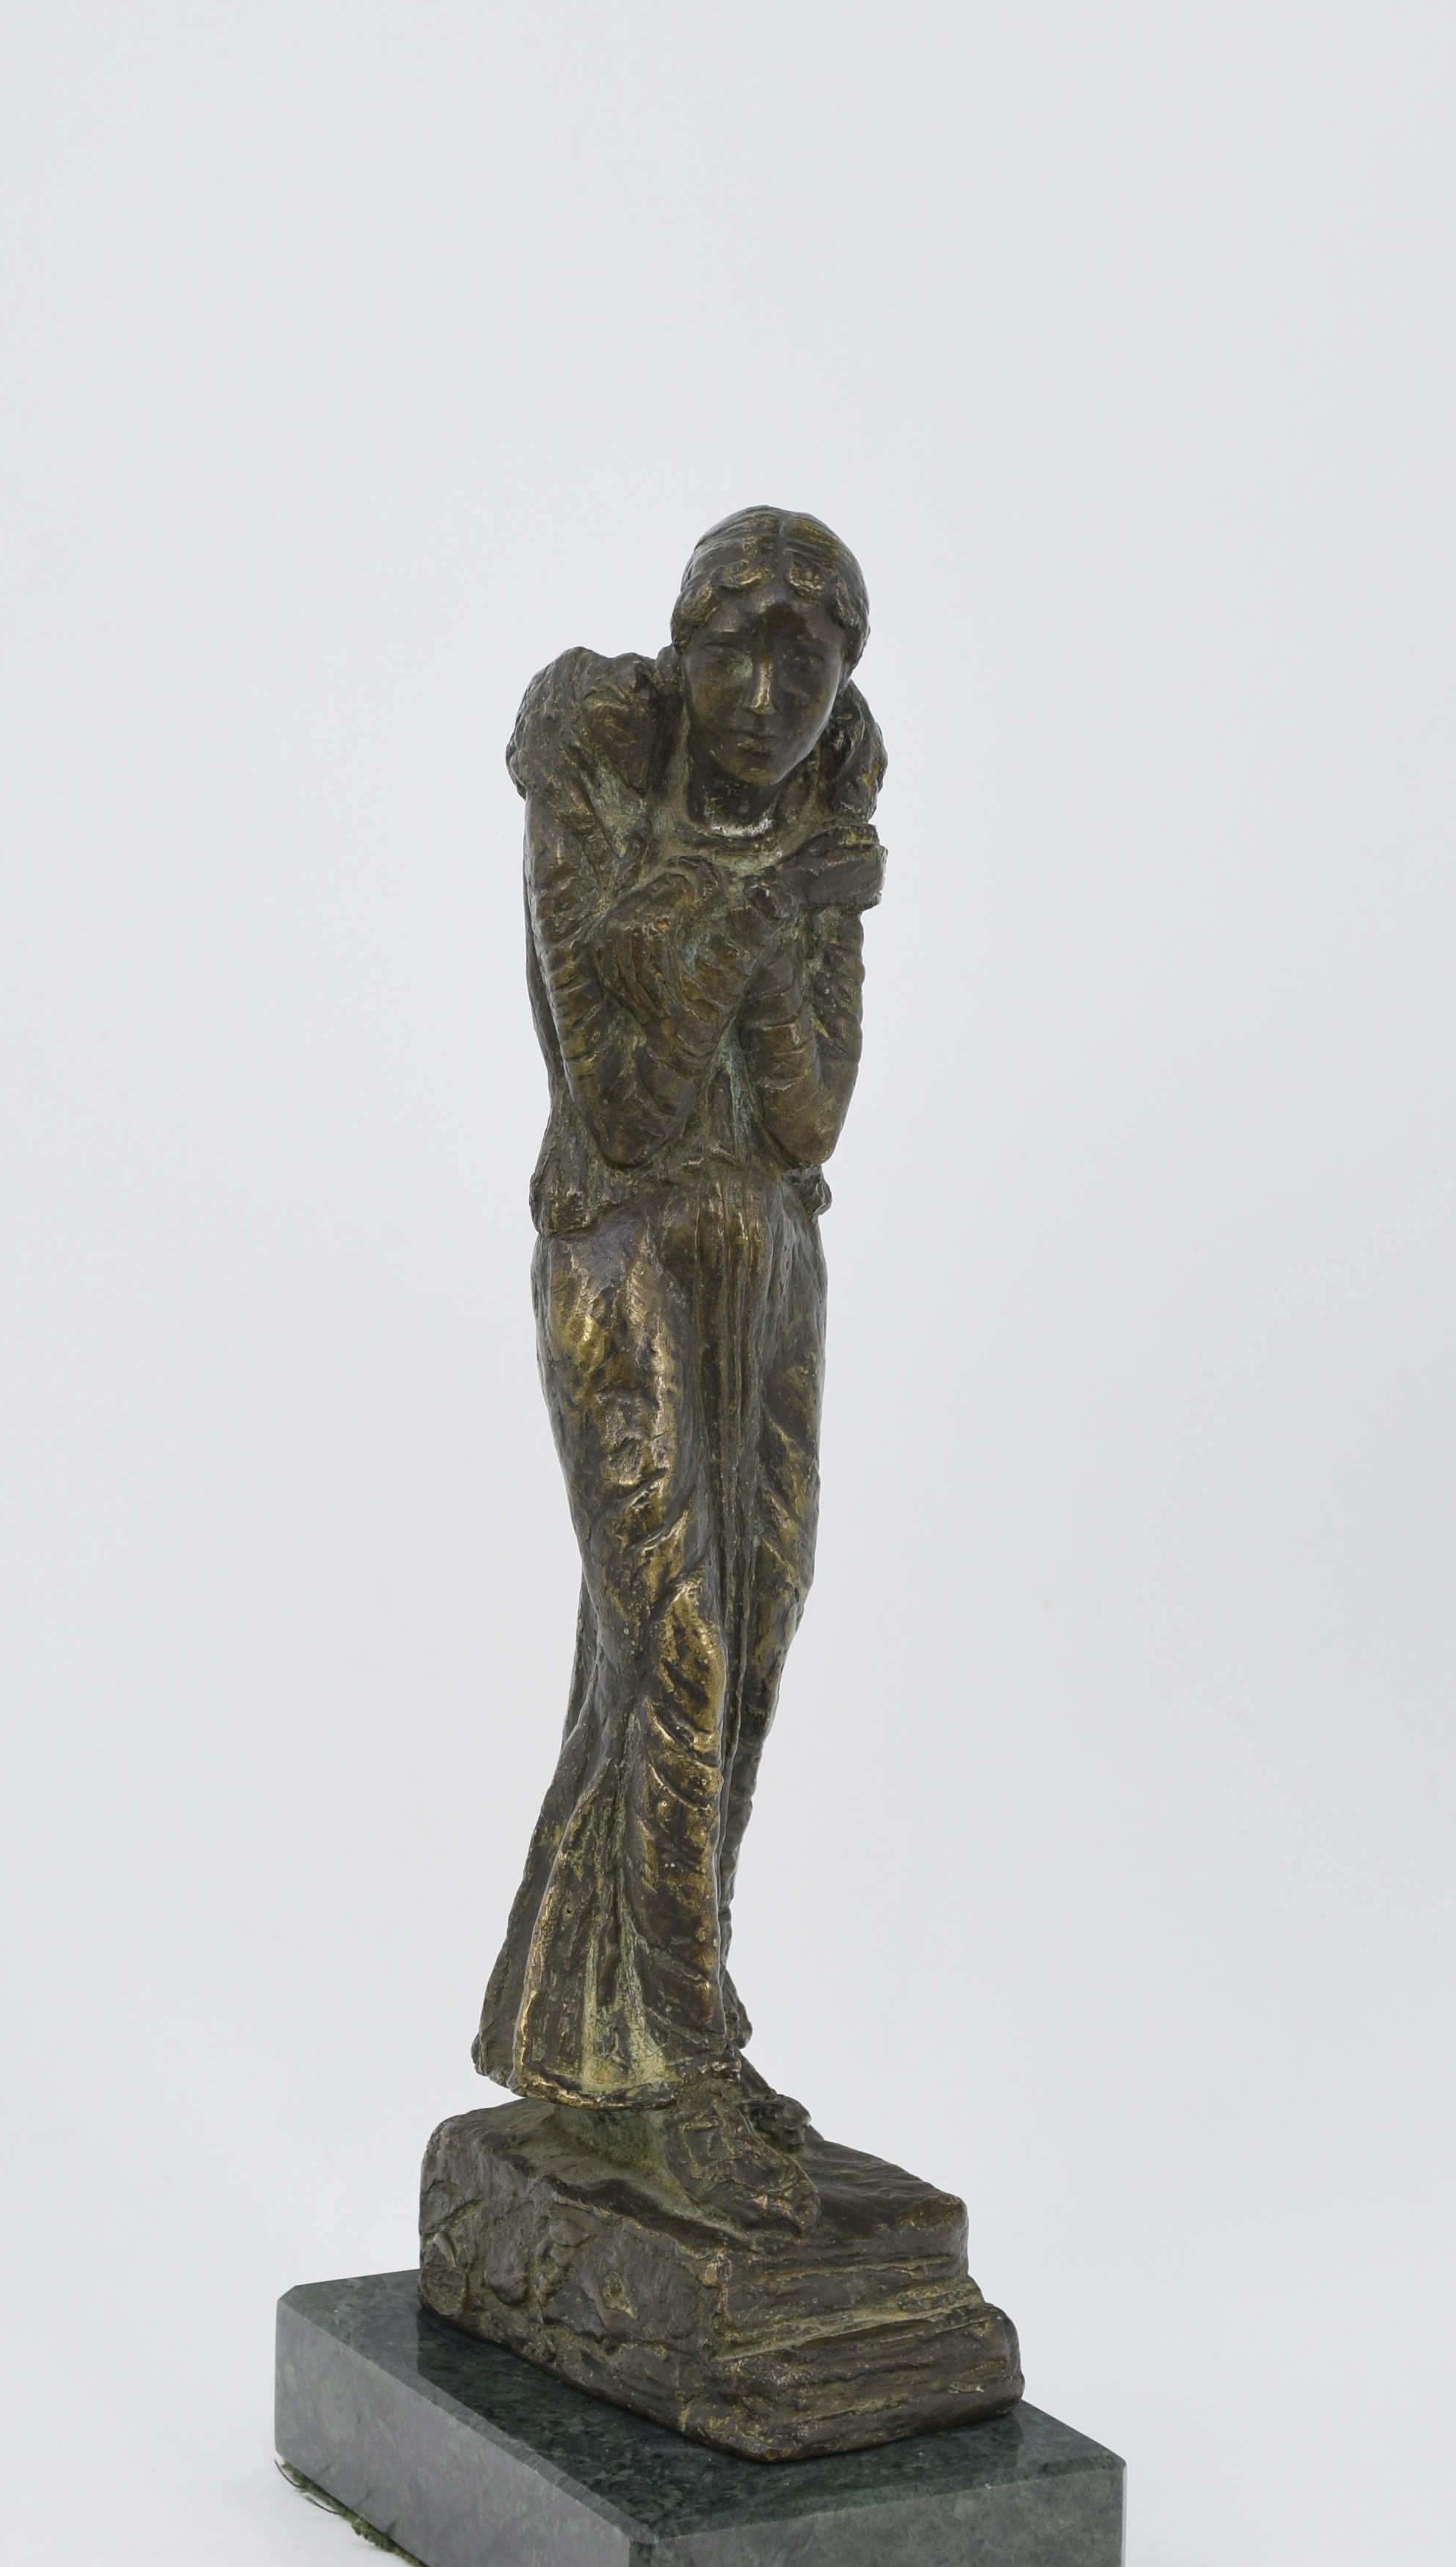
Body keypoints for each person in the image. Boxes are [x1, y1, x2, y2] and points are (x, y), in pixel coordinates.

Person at [475, 508, 886, 2233]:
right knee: (676, 1648)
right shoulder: (591, 771)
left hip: (767, 1259)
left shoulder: (825, 802)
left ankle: (619, 2042)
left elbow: (805, 1114)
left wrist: (753, 924)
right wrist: (766, 905)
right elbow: (628, 1102)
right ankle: (682, 2078)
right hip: (622, 1248)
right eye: (733, 652)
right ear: (677, 651)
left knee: (748, 1638)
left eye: (807, 664)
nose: (767, 697)